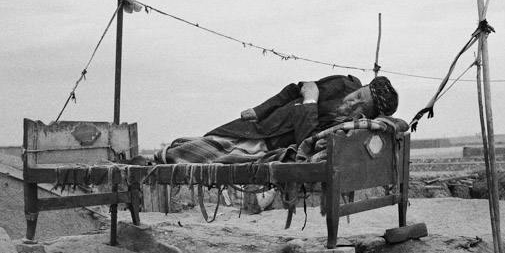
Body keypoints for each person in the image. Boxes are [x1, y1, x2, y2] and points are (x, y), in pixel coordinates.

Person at [155, 74, 399, 164]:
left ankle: (160, 159)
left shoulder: (346, 128)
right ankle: (160, 157)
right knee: (206, 142)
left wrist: (311, 101)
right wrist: (261, 109)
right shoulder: (343, 84)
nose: (353, 101)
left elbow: (307, 139)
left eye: (361, 106)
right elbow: (297, 88)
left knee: (205, 153)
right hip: (263, 124)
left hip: (272, 145)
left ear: (366, 115)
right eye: (358, 95)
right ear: (360, 86)